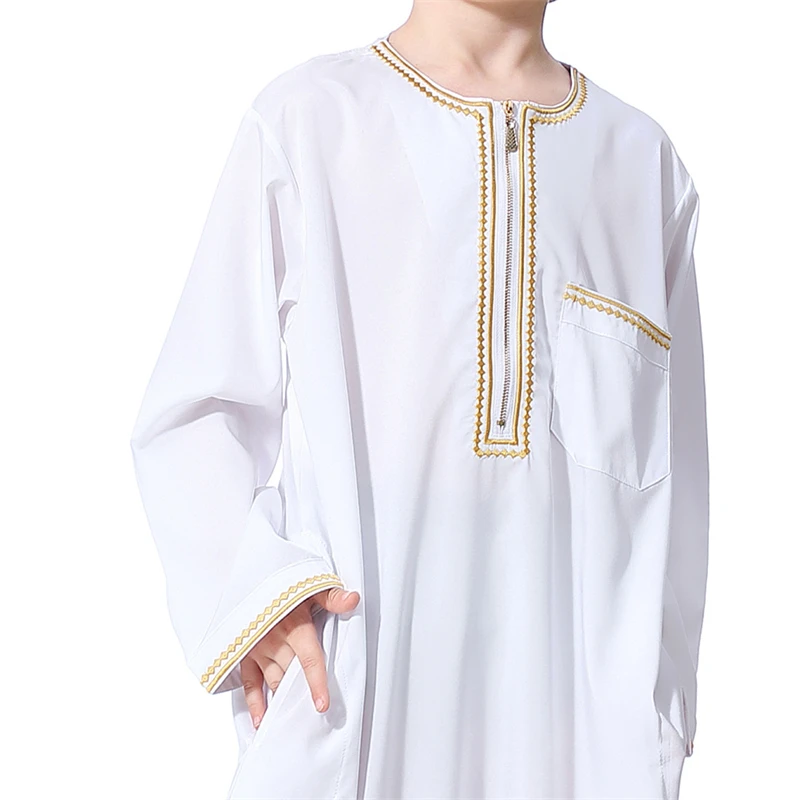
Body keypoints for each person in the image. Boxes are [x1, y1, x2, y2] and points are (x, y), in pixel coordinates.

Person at [129, 1, 709, 798]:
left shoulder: (642, 166)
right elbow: (194, 411)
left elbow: (679, 487)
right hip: (359, 711)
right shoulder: (310, 122)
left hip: (579, 745)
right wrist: (260, 596)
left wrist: (660, 717)